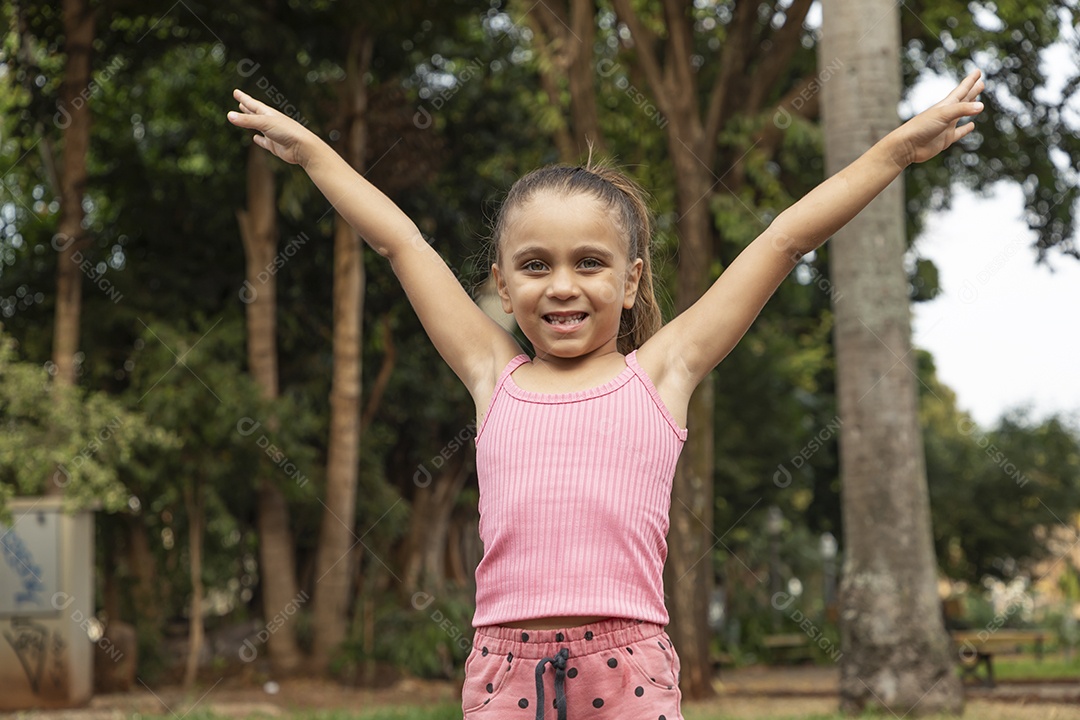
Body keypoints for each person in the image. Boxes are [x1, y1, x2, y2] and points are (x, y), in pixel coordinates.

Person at [228, 68, 984, 719]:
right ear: (500, 283)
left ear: (631, 281)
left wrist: (894, 151)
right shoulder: (494, 377)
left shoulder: (660, 375)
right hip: (504, 667)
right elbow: (401, 242)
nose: (562, 285)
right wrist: (314, 154)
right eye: (534, 265)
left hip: (629, 668)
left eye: (590, 263)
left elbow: (784, 240)